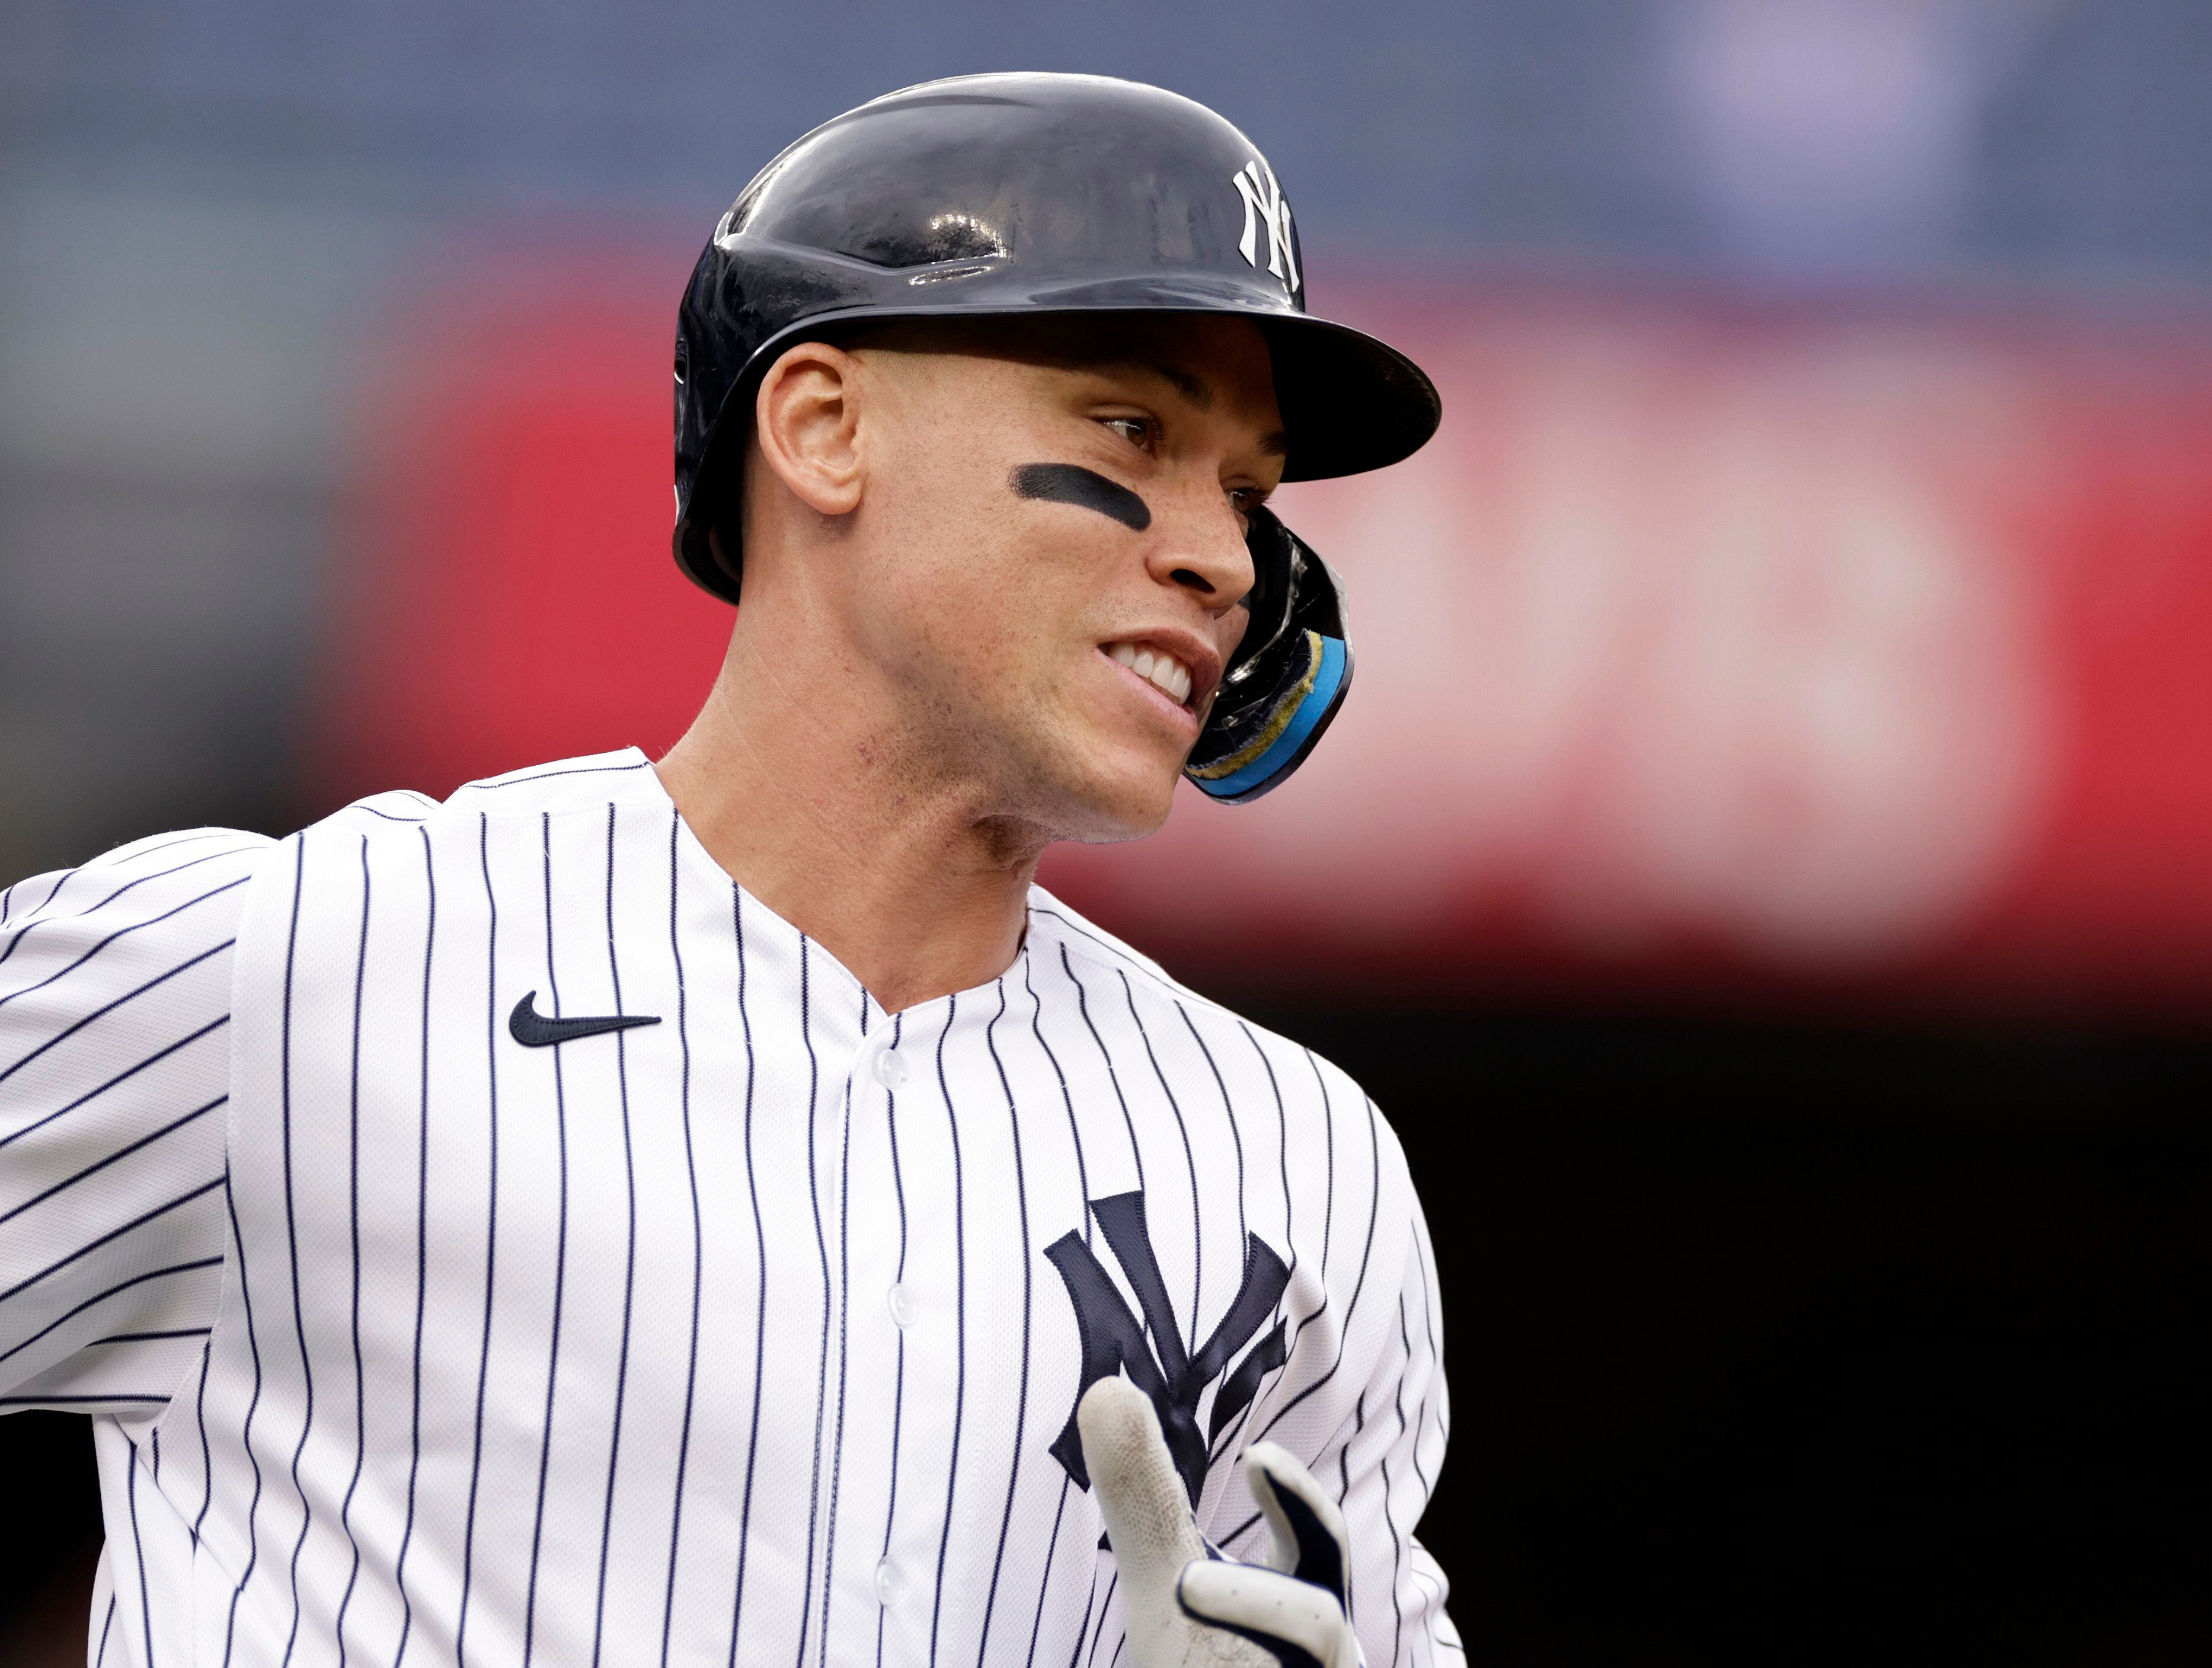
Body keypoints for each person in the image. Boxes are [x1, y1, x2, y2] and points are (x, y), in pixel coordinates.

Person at [0, 72, 1457, 1668]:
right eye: (1134, 427)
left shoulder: (1300, 1165)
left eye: (1250, 490)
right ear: (824, 427)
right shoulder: (285, 972)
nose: (1229, 558)